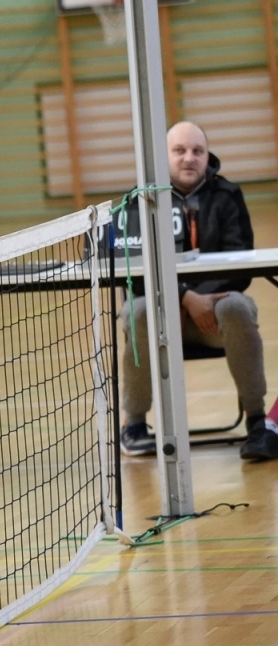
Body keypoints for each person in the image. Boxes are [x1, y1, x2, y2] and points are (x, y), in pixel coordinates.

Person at [118, 120, 277, 462]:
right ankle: (134, 425)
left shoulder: (228, 195)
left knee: (237, 307)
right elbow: (130, 270)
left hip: (213, 318)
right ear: (164, 156)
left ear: (207, 156)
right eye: (179, 151)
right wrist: (183, 297)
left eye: (197, 151)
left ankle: (256, 421)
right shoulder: (139, 201)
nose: (189, 158)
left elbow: (242, 262)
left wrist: (199, 301)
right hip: (161, 318)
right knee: (138, 310)